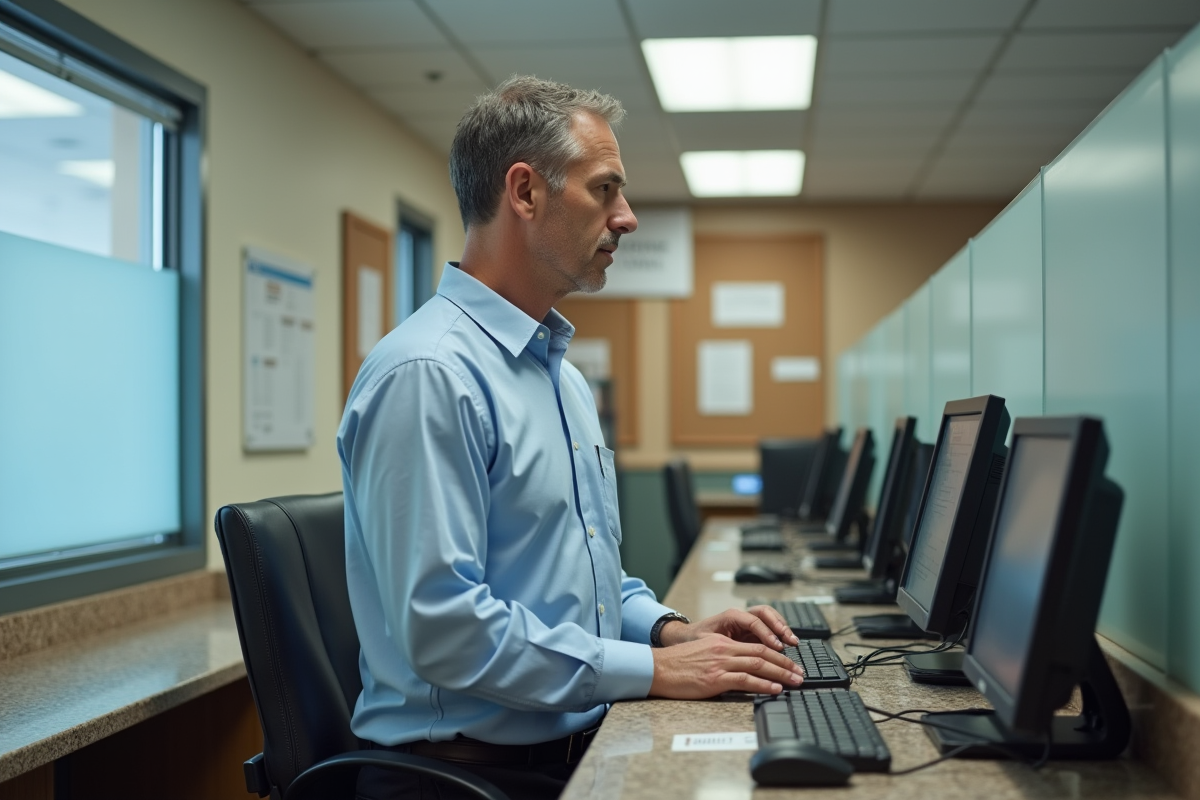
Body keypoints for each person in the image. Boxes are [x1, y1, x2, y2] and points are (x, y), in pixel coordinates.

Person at [337, 75, 803, 800]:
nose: (627, 218)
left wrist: (669, 633)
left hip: (568, 752)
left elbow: (585, 577)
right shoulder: (430, 374)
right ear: (525, 192)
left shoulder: (560, 376)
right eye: (604, 190)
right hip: (460, 778)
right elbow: (445, 629)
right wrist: (652, 671)